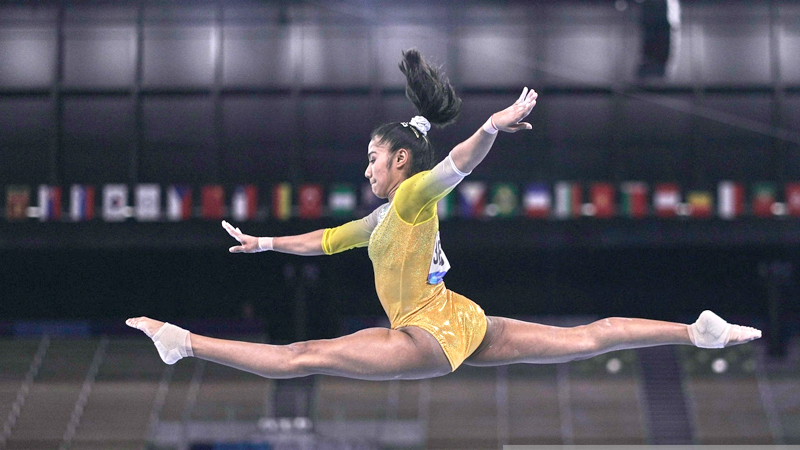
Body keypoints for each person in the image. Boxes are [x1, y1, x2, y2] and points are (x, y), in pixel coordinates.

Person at [127, 49, 761, 380]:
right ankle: (696, 333)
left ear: (400, 159)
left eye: (372, 158)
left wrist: (491, 126)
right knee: (586, 339)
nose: (367, 169)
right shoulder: (381, 220)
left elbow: (457, 162)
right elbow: (325, 240)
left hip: (424, 335)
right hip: (464, 320)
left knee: (303, 356)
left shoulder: (409, 197)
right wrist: (264, 243)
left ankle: (183, 343)